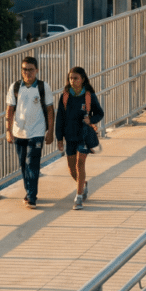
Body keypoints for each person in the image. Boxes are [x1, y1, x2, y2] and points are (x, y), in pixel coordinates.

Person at [6, 56, 55, 209]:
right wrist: (8, 131)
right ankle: (29, 192)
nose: (27, 73)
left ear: (37, 70)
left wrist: (50, 132)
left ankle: (32, 197)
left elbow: (50, 110)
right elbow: (9, 110)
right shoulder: (15, 87)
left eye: (30, 70)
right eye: (24, 69)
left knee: (32, 163)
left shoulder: (43, 87)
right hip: (19, 132)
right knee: (23, 165)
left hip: (37, 132)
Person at [55, 66, 105, 210]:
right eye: (70, 78)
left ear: (83, 79)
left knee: (80, 164)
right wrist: (59, 138)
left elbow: (99, 113)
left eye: (76, 78)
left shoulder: (89, 96)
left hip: (83, 136)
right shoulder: (65, 96)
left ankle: (78, 198)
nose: (73, 81)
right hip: (69, 136)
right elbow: (60, 119)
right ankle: (83, 184)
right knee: (71, 169)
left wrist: (91, 120)